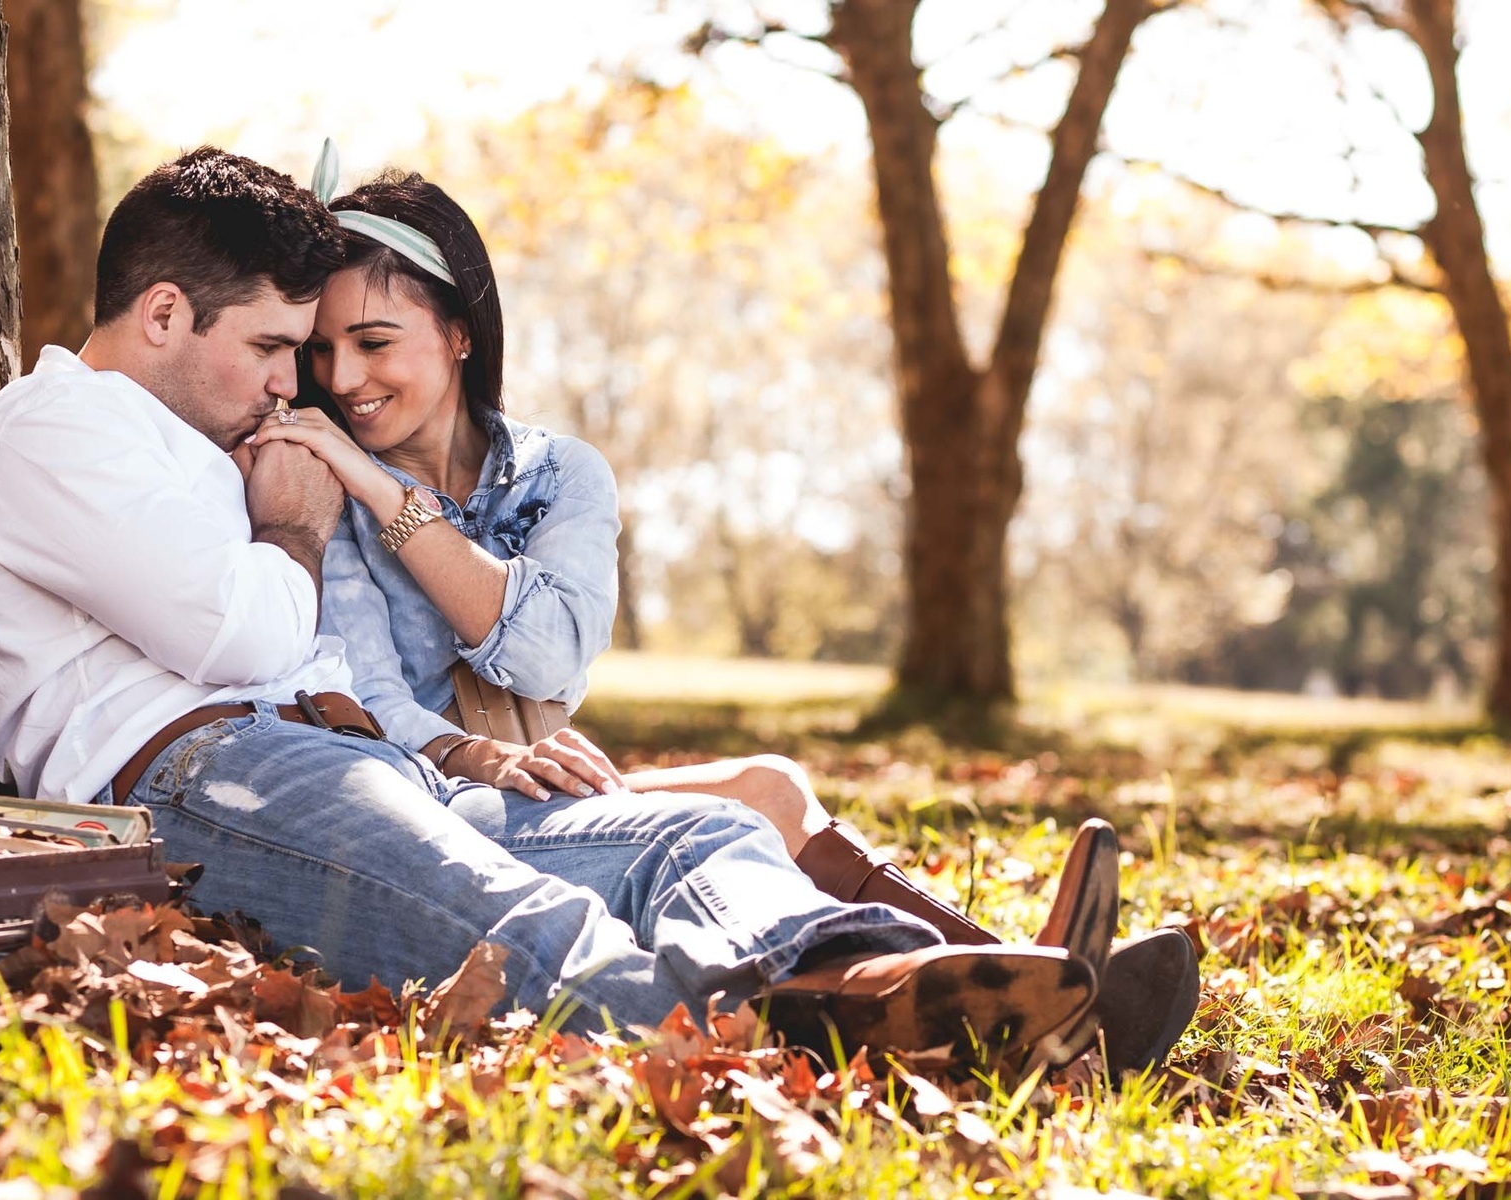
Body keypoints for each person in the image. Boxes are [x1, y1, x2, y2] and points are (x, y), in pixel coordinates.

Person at [0, 146, 1103, 1072]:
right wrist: (290, 522)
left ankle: (924, 984)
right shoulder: (53, 434)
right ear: (166, 313)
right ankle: (889, 1035)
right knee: (520, 923)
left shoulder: (209, 438)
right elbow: (244, 636)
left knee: (703, 836)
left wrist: (442, 746)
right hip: (198, 783)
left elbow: (342, 647)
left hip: (344, 764)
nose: (297, 383)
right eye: (275, 347)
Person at [246, 155, 1200, 1083]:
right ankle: (1020, 998)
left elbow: (547, 656)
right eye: (323, 351)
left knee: (771, 786)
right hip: (445, 802)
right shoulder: (326, 490)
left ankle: (1019, 979)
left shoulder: (556, 474)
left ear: (458, 332)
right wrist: (472, 745)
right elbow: (366, 702)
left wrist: (390, 495)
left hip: (543, 781)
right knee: (735, 807)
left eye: (374, 342)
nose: (345, 375)